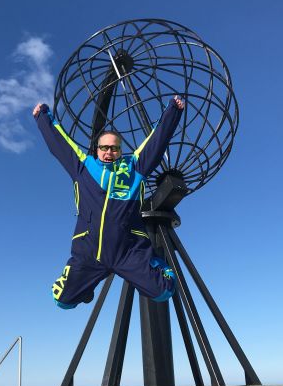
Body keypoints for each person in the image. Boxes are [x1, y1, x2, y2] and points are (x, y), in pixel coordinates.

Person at [33, 95, 184, 309]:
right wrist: (42, 117)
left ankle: (157, 264)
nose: (108, 152)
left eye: (114, 148)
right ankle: (84, 288)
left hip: (128, 251)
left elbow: (156, 142)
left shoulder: (134, 168)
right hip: (90, 252)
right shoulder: (83, 168)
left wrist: (173, 112)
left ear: (120, 151)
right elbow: (59, 145)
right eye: (104, 147)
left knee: (164, 291)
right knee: (62, 300)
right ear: (97, 149)